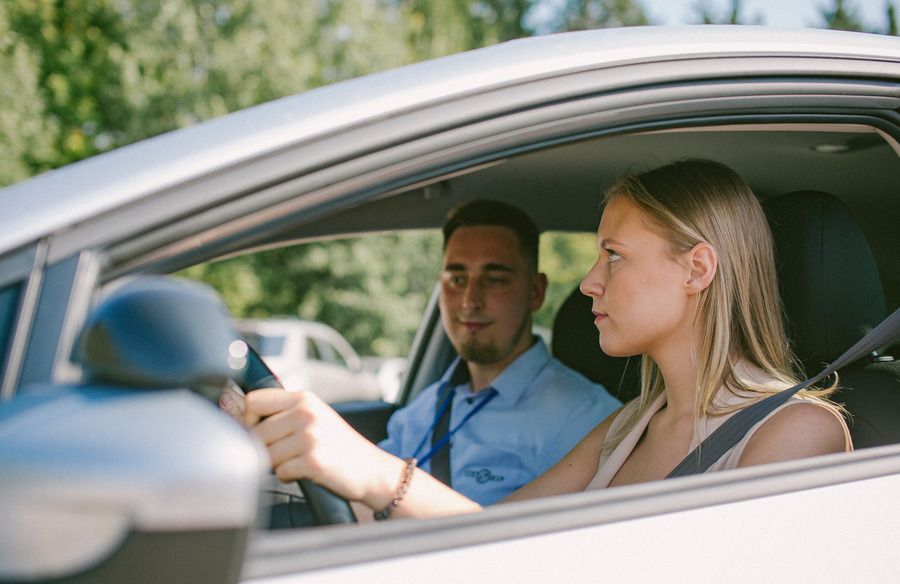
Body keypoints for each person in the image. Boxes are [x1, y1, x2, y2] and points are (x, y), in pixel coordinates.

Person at [238, 159, 851, 521]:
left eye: (613, 256)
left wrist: (370, 470)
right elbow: (496, 537)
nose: (588, 283)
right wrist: (315, 464)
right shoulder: (629, 425)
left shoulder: (796, 434)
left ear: (697, 270)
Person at [224, 199, 621, 507]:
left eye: (495, 279)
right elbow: (350, 502)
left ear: (535, 291)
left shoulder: (586, 418)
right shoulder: (424, 409)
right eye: (456, 278)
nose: (470, 300)